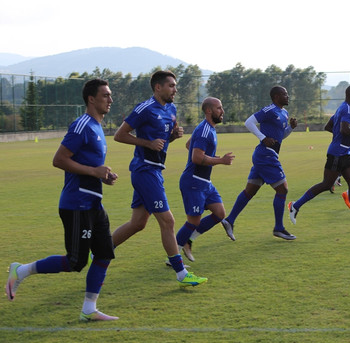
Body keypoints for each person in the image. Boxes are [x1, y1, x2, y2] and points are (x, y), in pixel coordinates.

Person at [6, 79, 120, 321]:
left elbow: (88, 165)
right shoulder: (81, 126)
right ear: (91, 99)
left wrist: (104, 176)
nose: (110, 99)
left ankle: (89, 309)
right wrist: (93, 172)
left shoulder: (97, 126)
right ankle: (21, 270)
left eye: (110, 95)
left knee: (104, 254)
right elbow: (59, 160)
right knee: (76, 261)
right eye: (105, 95)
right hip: (76, 204)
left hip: (93, 203)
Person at [111, 70, 207, 287]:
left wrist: (172, 137)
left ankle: (100, 250)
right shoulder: (144, 108)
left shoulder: (171, 109)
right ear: (158, 87)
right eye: (171, 85)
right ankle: (181, 273)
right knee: (168, 221)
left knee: (137, 224)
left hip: (155, 171)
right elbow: (120, 135)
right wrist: (147, 143)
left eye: (175, 85)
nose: (175, 89)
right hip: (144, 170)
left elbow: (162, 141)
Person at [288, 85, 350, 230]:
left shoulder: (343, 108)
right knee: (326, 184)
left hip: (345, 152)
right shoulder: (347, 109)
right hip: (337, 153)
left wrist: (341, 137)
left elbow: (329, 126)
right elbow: (344, 129)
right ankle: (295, 205)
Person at [221, 86, 298, 241]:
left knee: (249, 191)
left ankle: (229, 220)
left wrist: (291, 128)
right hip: (265, 155)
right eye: (285, 94)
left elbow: (280, 136)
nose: (288, 96)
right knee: (282, 189)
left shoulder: (284, 112)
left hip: (265, 156)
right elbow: (248, 122)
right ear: (276, 96)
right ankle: (279, 228)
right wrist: (262, 138)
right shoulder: (269, 110)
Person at [174, 97, 234, 262]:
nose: (222, 111)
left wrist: (207, 155)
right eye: (219, 108)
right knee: (193, 221)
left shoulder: (208, 128)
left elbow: (189, 145)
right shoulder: (204, 130)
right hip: (193, 181)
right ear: (209, 111)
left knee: (219, 213)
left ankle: (189, 241)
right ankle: (173, 257)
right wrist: (220, 160)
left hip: (204, 182)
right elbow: (196, 158)